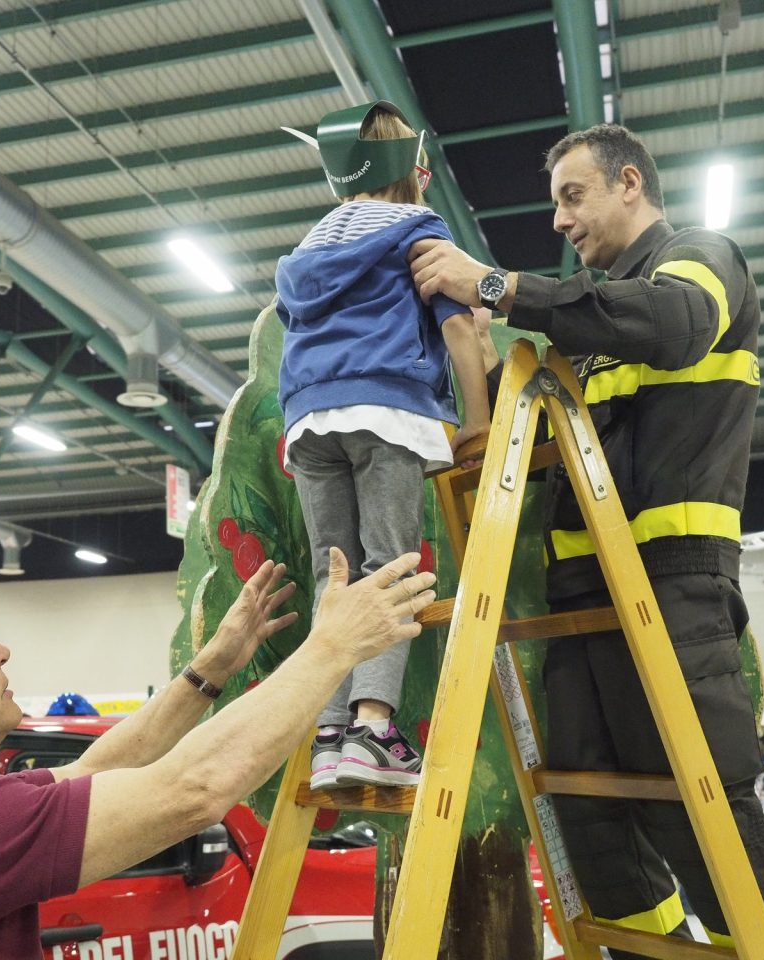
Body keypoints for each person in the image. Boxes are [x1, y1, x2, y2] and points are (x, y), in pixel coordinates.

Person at [409, 122, 764, 956]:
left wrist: (498, 286)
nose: (560, 220)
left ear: (631, 183)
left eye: (573, 196)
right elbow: (520, 455)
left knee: (702, 815)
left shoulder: (701, 259)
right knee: (589, 819)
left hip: (672, 589)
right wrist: (473, 357)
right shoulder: (581, 336)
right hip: (577, 604)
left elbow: (674, 323)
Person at [0, 551, 437, 958]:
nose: (2, 652)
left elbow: (95, 770)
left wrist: (211, 668)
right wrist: (334, 646)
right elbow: (193, 789)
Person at [276, 99, 490, 789]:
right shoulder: (418, 230)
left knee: (333, 575)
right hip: (385, 410)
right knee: (389, 567)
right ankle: (373, 728)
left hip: (307, 419)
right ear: (408, 166)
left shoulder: (308, 247)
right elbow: (458, 326)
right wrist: (478, 418)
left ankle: (329, 732)